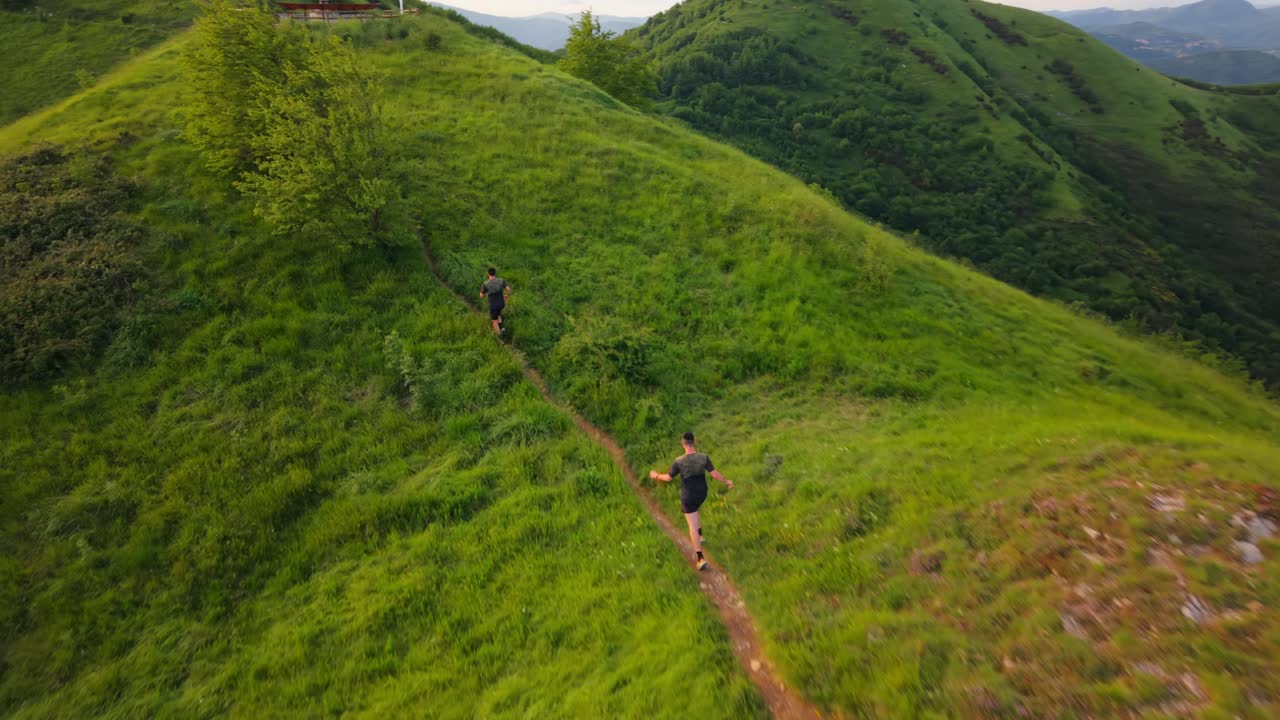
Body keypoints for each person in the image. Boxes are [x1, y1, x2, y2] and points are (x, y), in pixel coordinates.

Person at [649, 431, 733, 571]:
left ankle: (700, 558)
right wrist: (727, 481)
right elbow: (714, 474)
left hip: (688, 497)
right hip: (702, 494)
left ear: (683, 444)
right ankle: (700, 536)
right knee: (695, 511)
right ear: (694, 442)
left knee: (691, 525)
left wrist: (656, 475)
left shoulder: (679, 461)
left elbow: (668, 478)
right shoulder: (703, 457)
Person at [479, 267, 512, 334]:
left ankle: (499, 336)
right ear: (495, 273)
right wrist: (506, 295)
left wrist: (485, 293)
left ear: (488, 274)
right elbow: (509, 289)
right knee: (498, 315)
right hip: (501, 303)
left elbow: (481, 296)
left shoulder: (486, 284)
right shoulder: (501, 280)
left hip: (493, 305)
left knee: (494, 321)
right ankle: (502, 328)